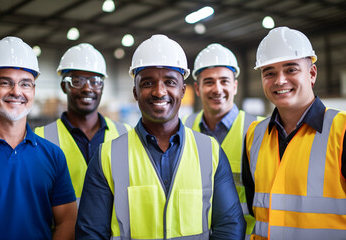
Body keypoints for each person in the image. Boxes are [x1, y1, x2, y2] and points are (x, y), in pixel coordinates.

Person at [76, 34, 246, 239]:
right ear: (135, 92)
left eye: (170, 82)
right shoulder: (107, 156)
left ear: (183, 90)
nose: (159, 92)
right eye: (148, 83)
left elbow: (230, 226)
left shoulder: (210, 151)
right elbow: (90, 234)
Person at [242, 26, 346, 239]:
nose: (279, 80)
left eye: (291, 69)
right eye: (269, 72)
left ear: (312, 73)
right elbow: (258, 210)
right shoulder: (254, 136)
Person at [0, 36, 77, 240]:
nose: (16, 92)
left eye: (25, 84)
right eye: (5, 82)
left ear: (33, 91)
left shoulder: (53, 155)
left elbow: (68, 221)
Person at [35, 43, 130, 205]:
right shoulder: (40, 138)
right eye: (77, 81)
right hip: (62, 230)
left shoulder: (125, 134)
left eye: (95, 81)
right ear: (63, 86)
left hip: (114, 231)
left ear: (102, 87)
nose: (87, 88)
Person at [183, 43, 262, 239]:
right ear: (198, 88)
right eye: (209, 82)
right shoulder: (182, 129)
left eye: (224, 81)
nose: (217, 89)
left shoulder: (260, 131)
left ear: (234, 86)